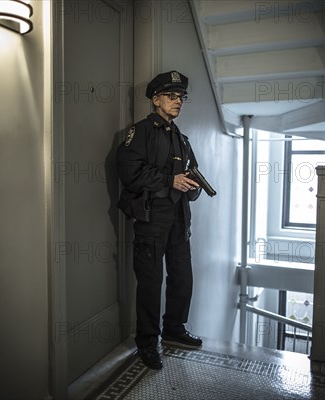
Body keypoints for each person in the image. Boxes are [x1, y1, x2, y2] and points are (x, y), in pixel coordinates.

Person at [116, 70, 203, 370]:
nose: (178, 102)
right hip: (153, 217)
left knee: (182, 276)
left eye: (181, 97)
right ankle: (148, 341)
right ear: (156, 100)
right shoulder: (141, 132)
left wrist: (192, 187)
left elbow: (189, 172)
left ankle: (174, 328)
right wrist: (171, 181)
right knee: (151, 282)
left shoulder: (181, 137)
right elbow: (130, 172)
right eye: (171, 96)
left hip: (179, 216)